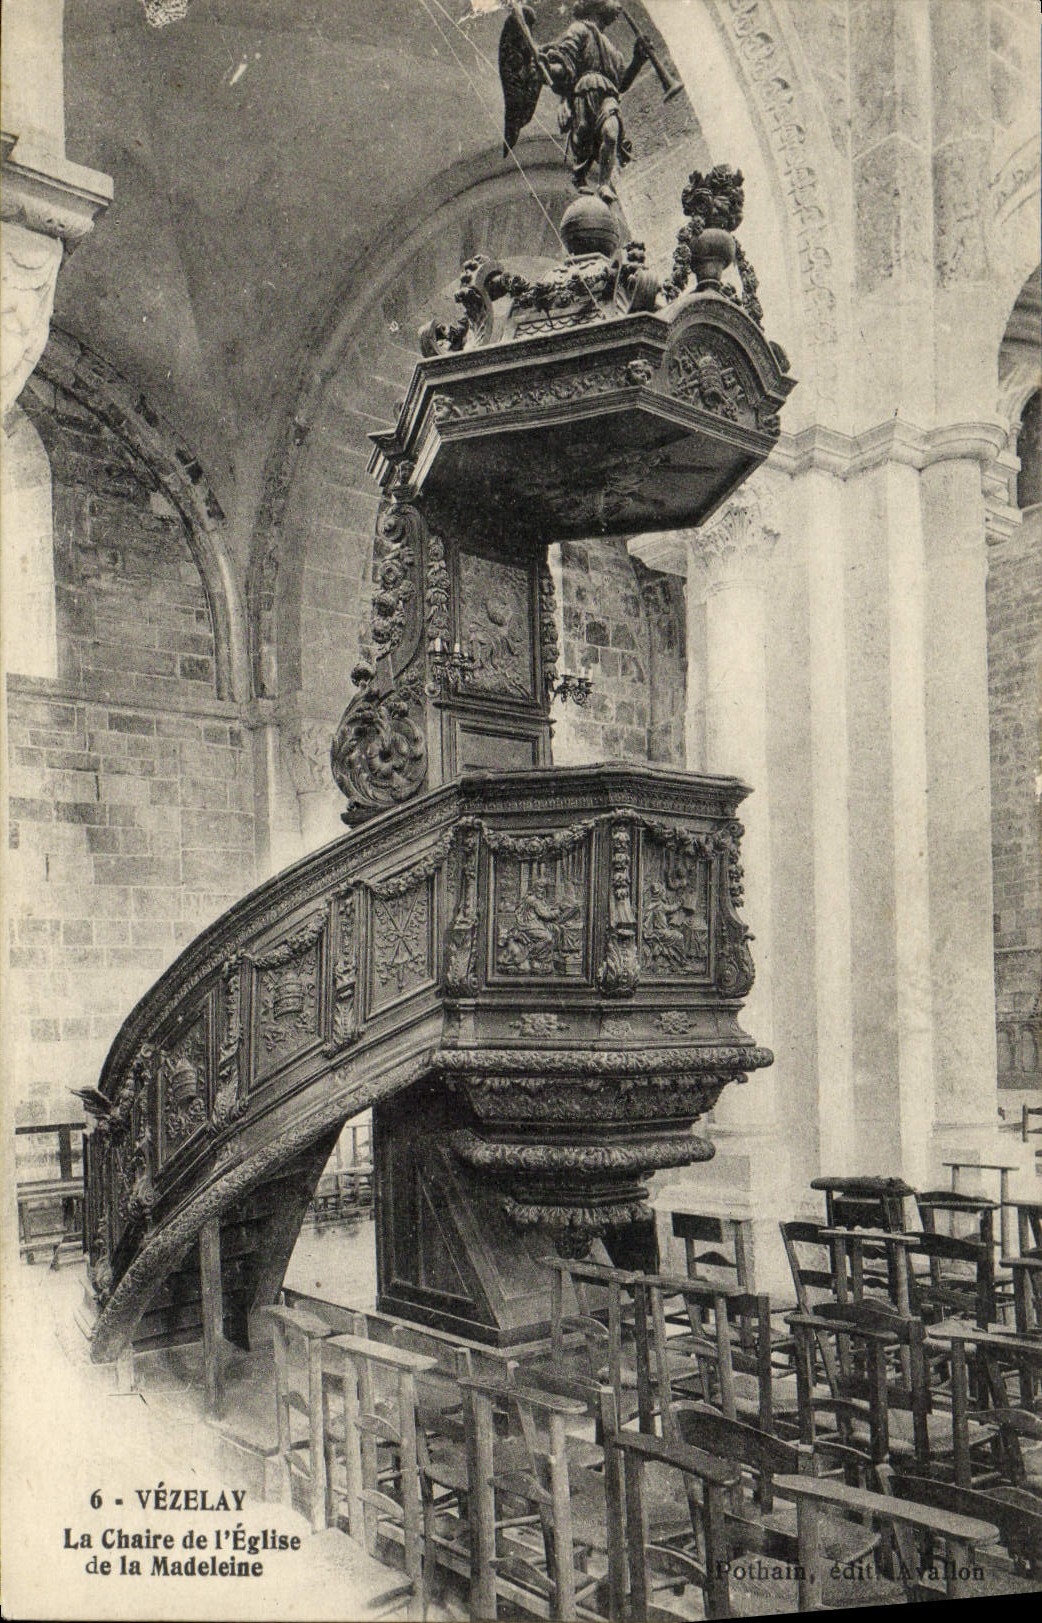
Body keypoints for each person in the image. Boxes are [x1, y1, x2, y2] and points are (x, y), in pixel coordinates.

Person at [540, 2, 650, 196]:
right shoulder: (580, 29)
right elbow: (566, 61)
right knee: (583, 134)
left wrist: (637, 59)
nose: (619, 7)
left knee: (611, 132)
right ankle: (579, 175)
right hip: (585, 91)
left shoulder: (613, 51)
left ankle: (604, 183)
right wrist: (550, 70)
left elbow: (621, 84)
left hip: (608, 95)